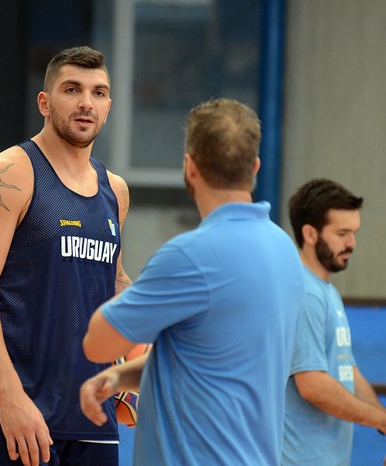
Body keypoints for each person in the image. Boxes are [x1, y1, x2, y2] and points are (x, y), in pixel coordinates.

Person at [79, 97, 305, 465]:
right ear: (255, 167)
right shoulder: (284, 251)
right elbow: (218, 363)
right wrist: (123, 376)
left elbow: (97, 344)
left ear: (189, 167)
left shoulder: (188, 258)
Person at [0, 46, 131, 466]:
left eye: (98, 93)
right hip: (19, 414)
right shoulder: (9, 174)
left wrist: (134, 363)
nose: (85, 103)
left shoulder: (116, 190)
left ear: (109, 106)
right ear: (44, 101)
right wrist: (9, 395)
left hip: (92, 415)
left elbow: (112, 283)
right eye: (72, 89)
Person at [282, 178, 386, 465]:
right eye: (342, 233)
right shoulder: (304, 293)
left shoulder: (325, 291)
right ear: (310, 234)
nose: (351, 243)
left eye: (354, 233)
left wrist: (382, 421)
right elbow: (313, 385)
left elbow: (347, 371)